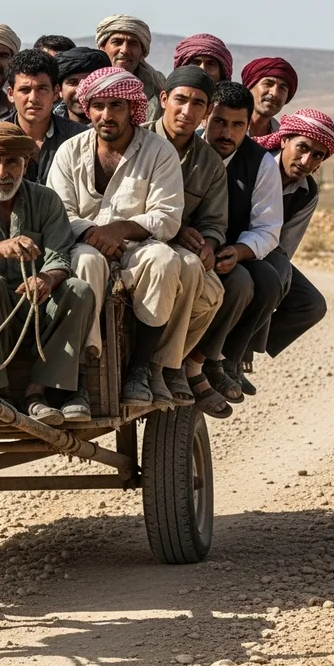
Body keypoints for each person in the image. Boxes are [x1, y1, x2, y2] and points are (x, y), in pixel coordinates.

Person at [47, 67, 188, 408]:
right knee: (85, 261)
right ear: (88, 108)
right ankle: (80, 373)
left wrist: (122, 229)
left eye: (116, 106)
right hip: (85, 245)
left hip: (136, 250)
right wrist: (95, 232)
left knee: (164, 260)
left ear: (132, 109)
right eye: (98, 106)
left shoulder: (159, 152)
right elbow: (58, 212)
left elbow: (167, 217)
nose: (106, 115)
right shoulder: (69, 151)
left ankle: (140, 370)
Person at [0, 122, 94, 426]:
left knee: (79, 290)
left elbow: (59, 256)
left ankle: (38, 392)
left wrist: (47, 279)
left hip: (36, 309)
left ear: (25, 163)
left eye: (12, 161)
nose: (2, 172)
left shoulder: (46, 200)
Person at [143, 67, 228, 416]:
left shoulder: (210, 163)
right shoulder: (137, 142)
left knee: (212, 293)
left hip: (180, 250)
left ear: (207, 112)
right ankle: (153, 368)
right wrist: (171, 229)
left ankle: (170, 364)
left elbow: (214, 221)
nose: (186, 111)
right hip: (138, 242)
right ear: (164, 99)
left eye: (198, 104)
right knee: (183, 269)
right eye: (180, 99)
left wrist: (209, 242)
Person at [192, 82, 284, 400]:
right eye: (219, 121)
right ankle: (199, 361)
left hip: (231, 251)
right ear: (205, 117)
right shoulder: (185, 148)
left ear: (248, 126)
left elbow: (268, 228)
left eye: (237, 125)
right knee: (241, 282)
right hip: (186, 247)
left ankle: (226, 360)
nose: (226, 133)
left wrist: (238, 251)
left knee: (269, 281)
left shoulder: (261, 164)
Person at [250, 109, 334, 356]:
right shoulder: (253, 162)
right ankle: (235, 358)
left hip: (265, 253)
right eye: (302, 148)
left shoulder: (308, 192)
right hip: (230, 242)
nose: (306, 161)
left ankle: (242, 349)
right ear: (284, 140)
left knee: (311, 305)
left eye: (317, 156)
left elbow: (283, 249)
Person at [0, 49, 86, 185]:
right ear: (11, 94)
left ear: (55, 92)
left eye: (42, 89)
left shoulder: (78, 137)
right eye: (25, 90)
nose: (33, 98)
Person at [95, 15, 167, 122]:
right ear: (102, 47)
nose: (124, 50)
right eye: (117, 42)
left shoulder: (159, 85)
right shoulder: (89, 81)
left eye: (133, 44)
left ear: (142, 51)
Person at [241, 57, 298, 138]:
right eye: (268, 84)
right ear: (250, 86)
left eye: (282, 88)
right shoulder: (226, 128)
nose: (274, 93)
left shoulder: (283, 141)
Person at [53, 47, 111, 124]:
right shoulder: (44, 126)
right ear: (59, 90)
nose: (81, 90)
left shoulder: (120, 128)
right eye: (73, 82)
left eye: (89, 82)